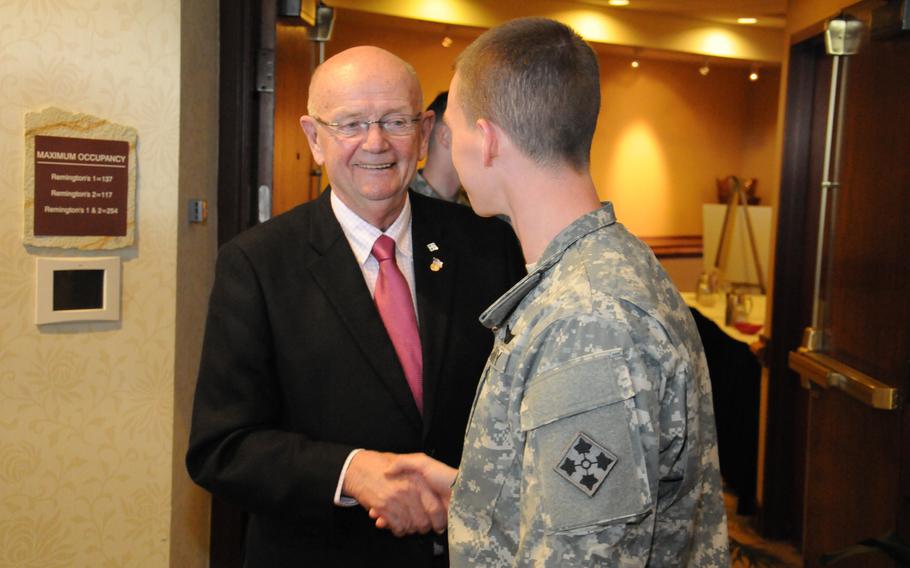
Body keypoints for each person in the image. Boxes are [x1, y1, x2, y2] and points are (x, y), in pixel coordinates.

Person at [186, 45, 524, 567]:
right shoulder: (257, 264)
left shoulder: (488, 248)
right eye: (350, 124)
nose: (376, 142)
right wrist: (350, 471)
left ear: (426, 130)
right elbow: (222, 448)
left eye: (395, 120)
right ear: (313, 139)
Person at [430, 17, 730, 567]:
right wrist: (467, 486)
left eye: (450, 133)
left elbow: (584, 555)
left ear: (488, 139)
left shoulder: (590, 319)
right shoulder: (593, 272)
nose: (448, 154)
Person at [409, 91, 470, 206]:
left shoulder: (483, 210)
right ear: (446, 136)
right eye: (475, 129)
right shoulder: (400, 204)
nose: (486, 142)